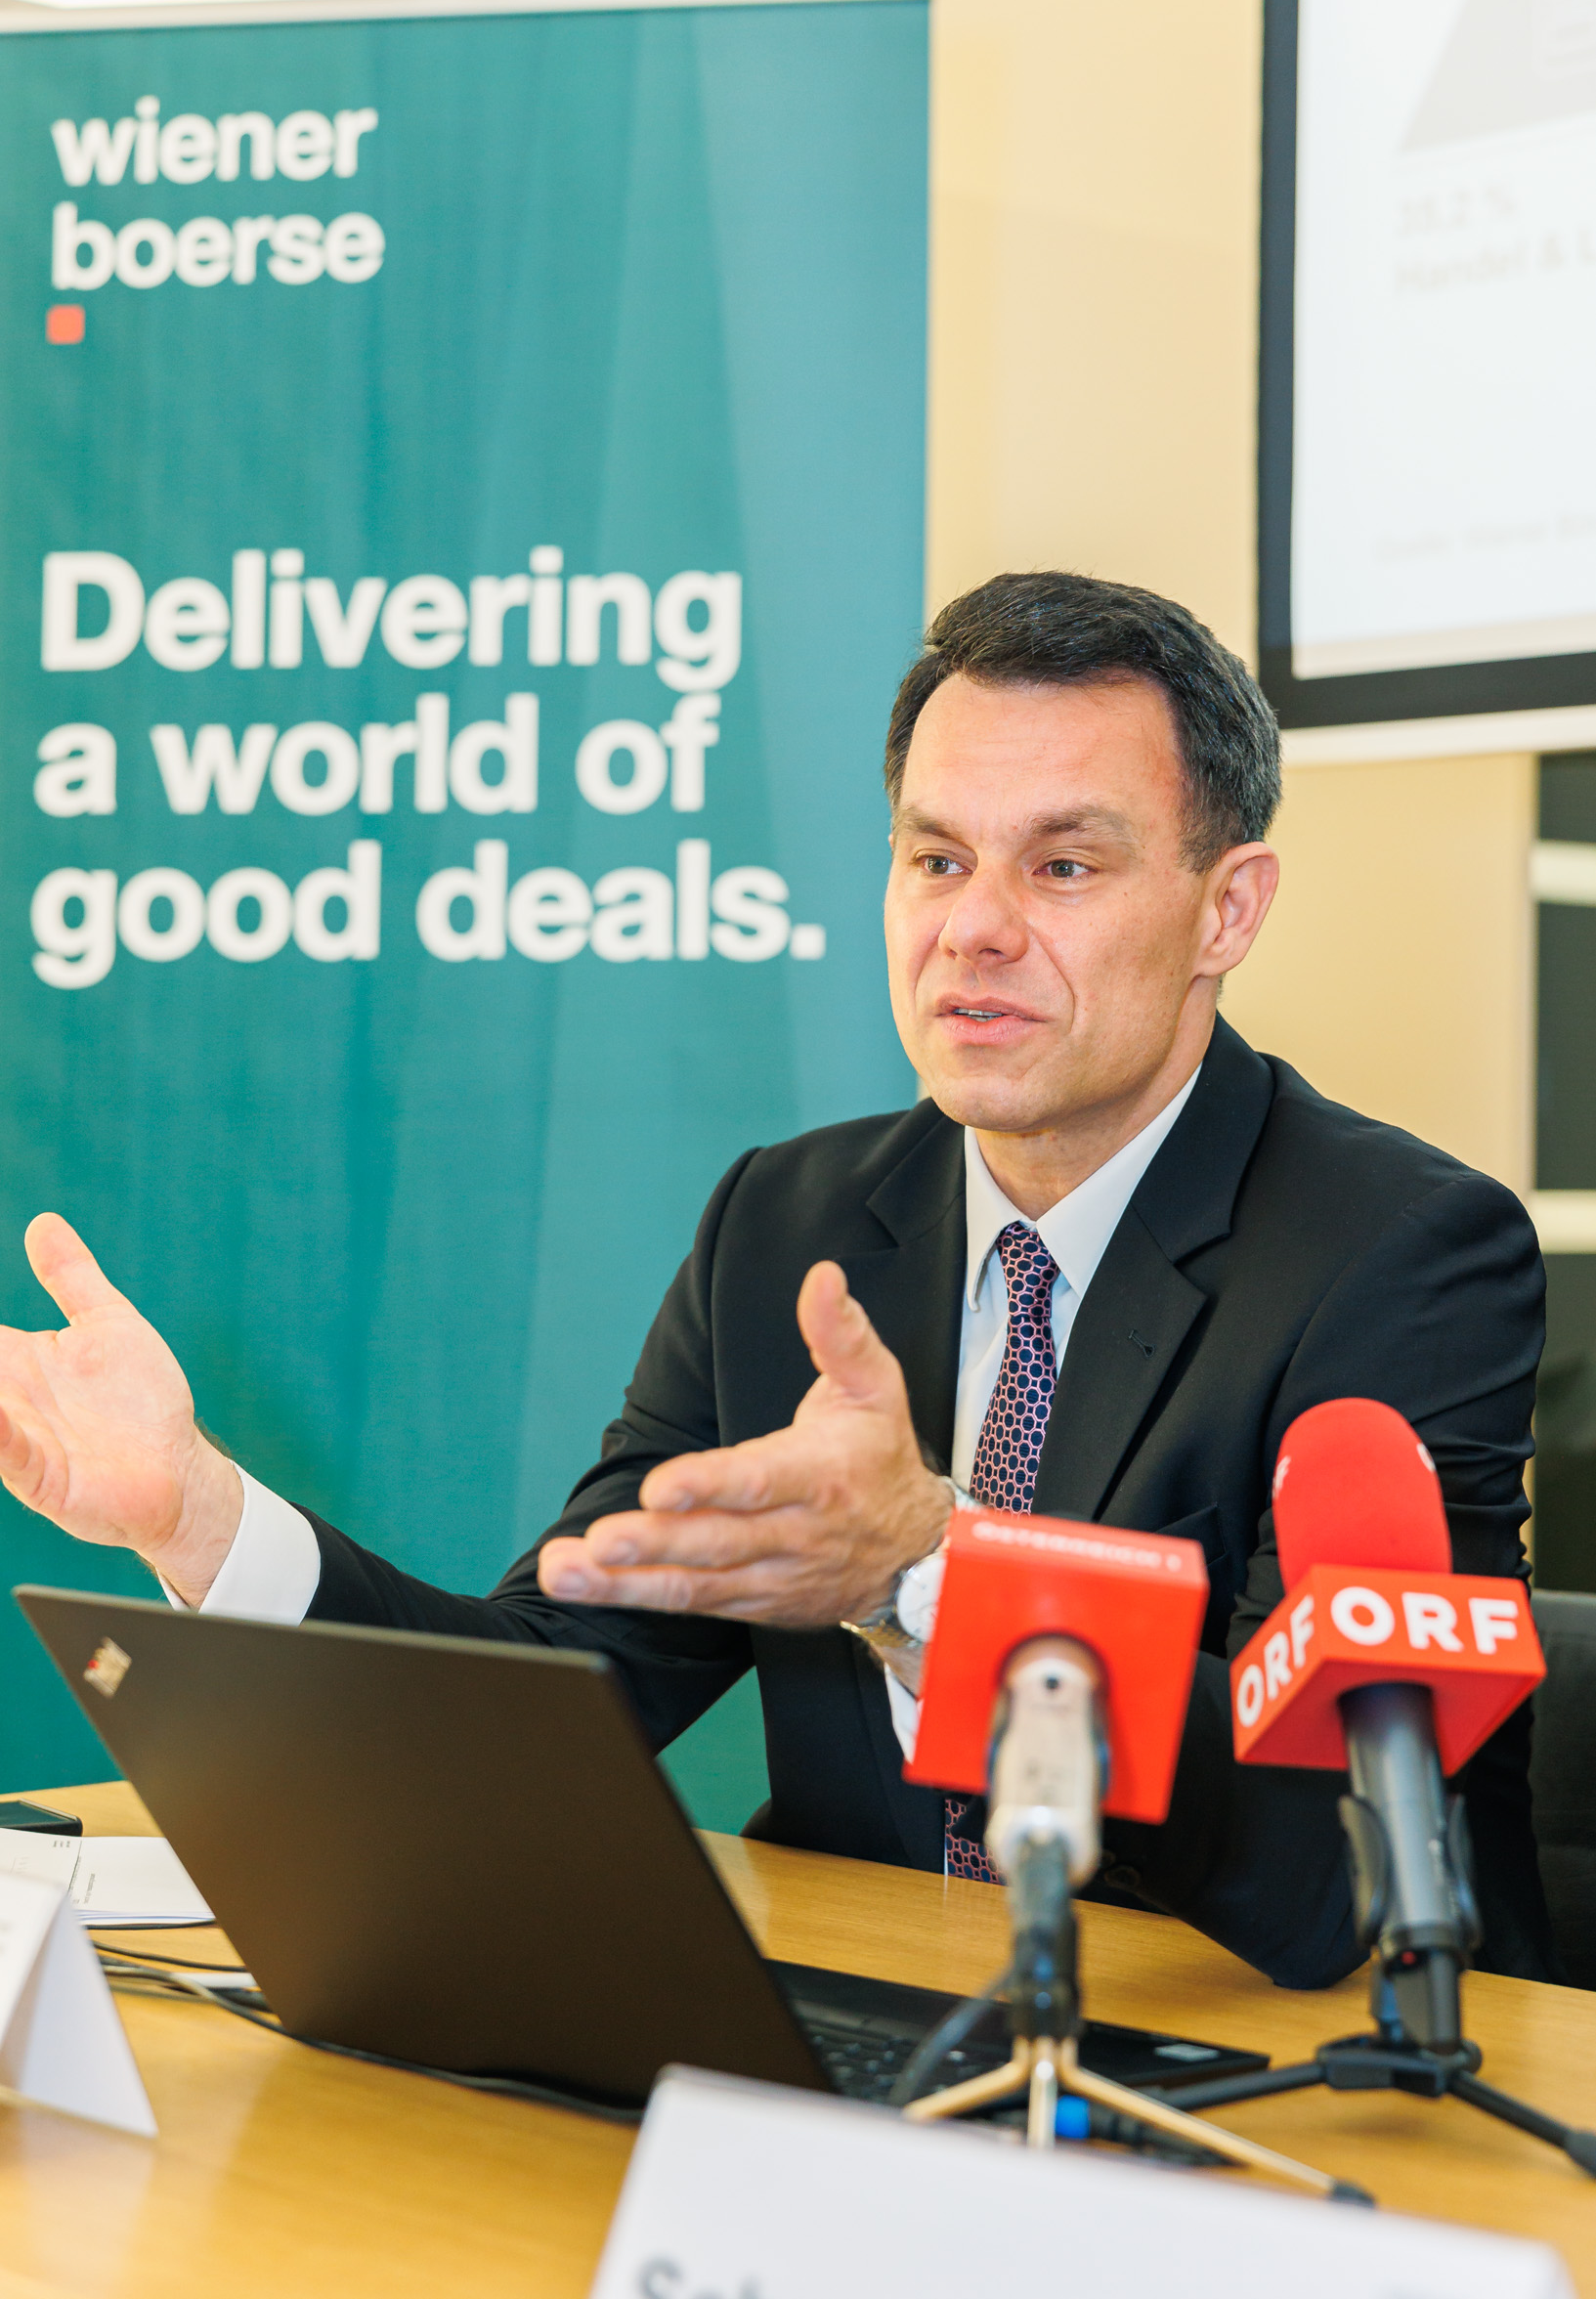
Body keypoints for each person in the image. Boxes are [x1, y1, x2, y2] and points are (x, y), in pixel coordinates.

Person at [0, 571, 1556, 1989]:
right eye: (934, 858)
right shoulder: (788, 1220)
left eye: (1063, 864)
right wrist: (198, 1511)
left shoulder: (1402, 1253)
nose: (974, 929)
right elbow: (558, 1689)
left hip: (1246, 2075)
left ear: (1227, 908)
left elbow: (1338, 1865)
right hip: (869, 2026)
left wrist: (927, 1572)